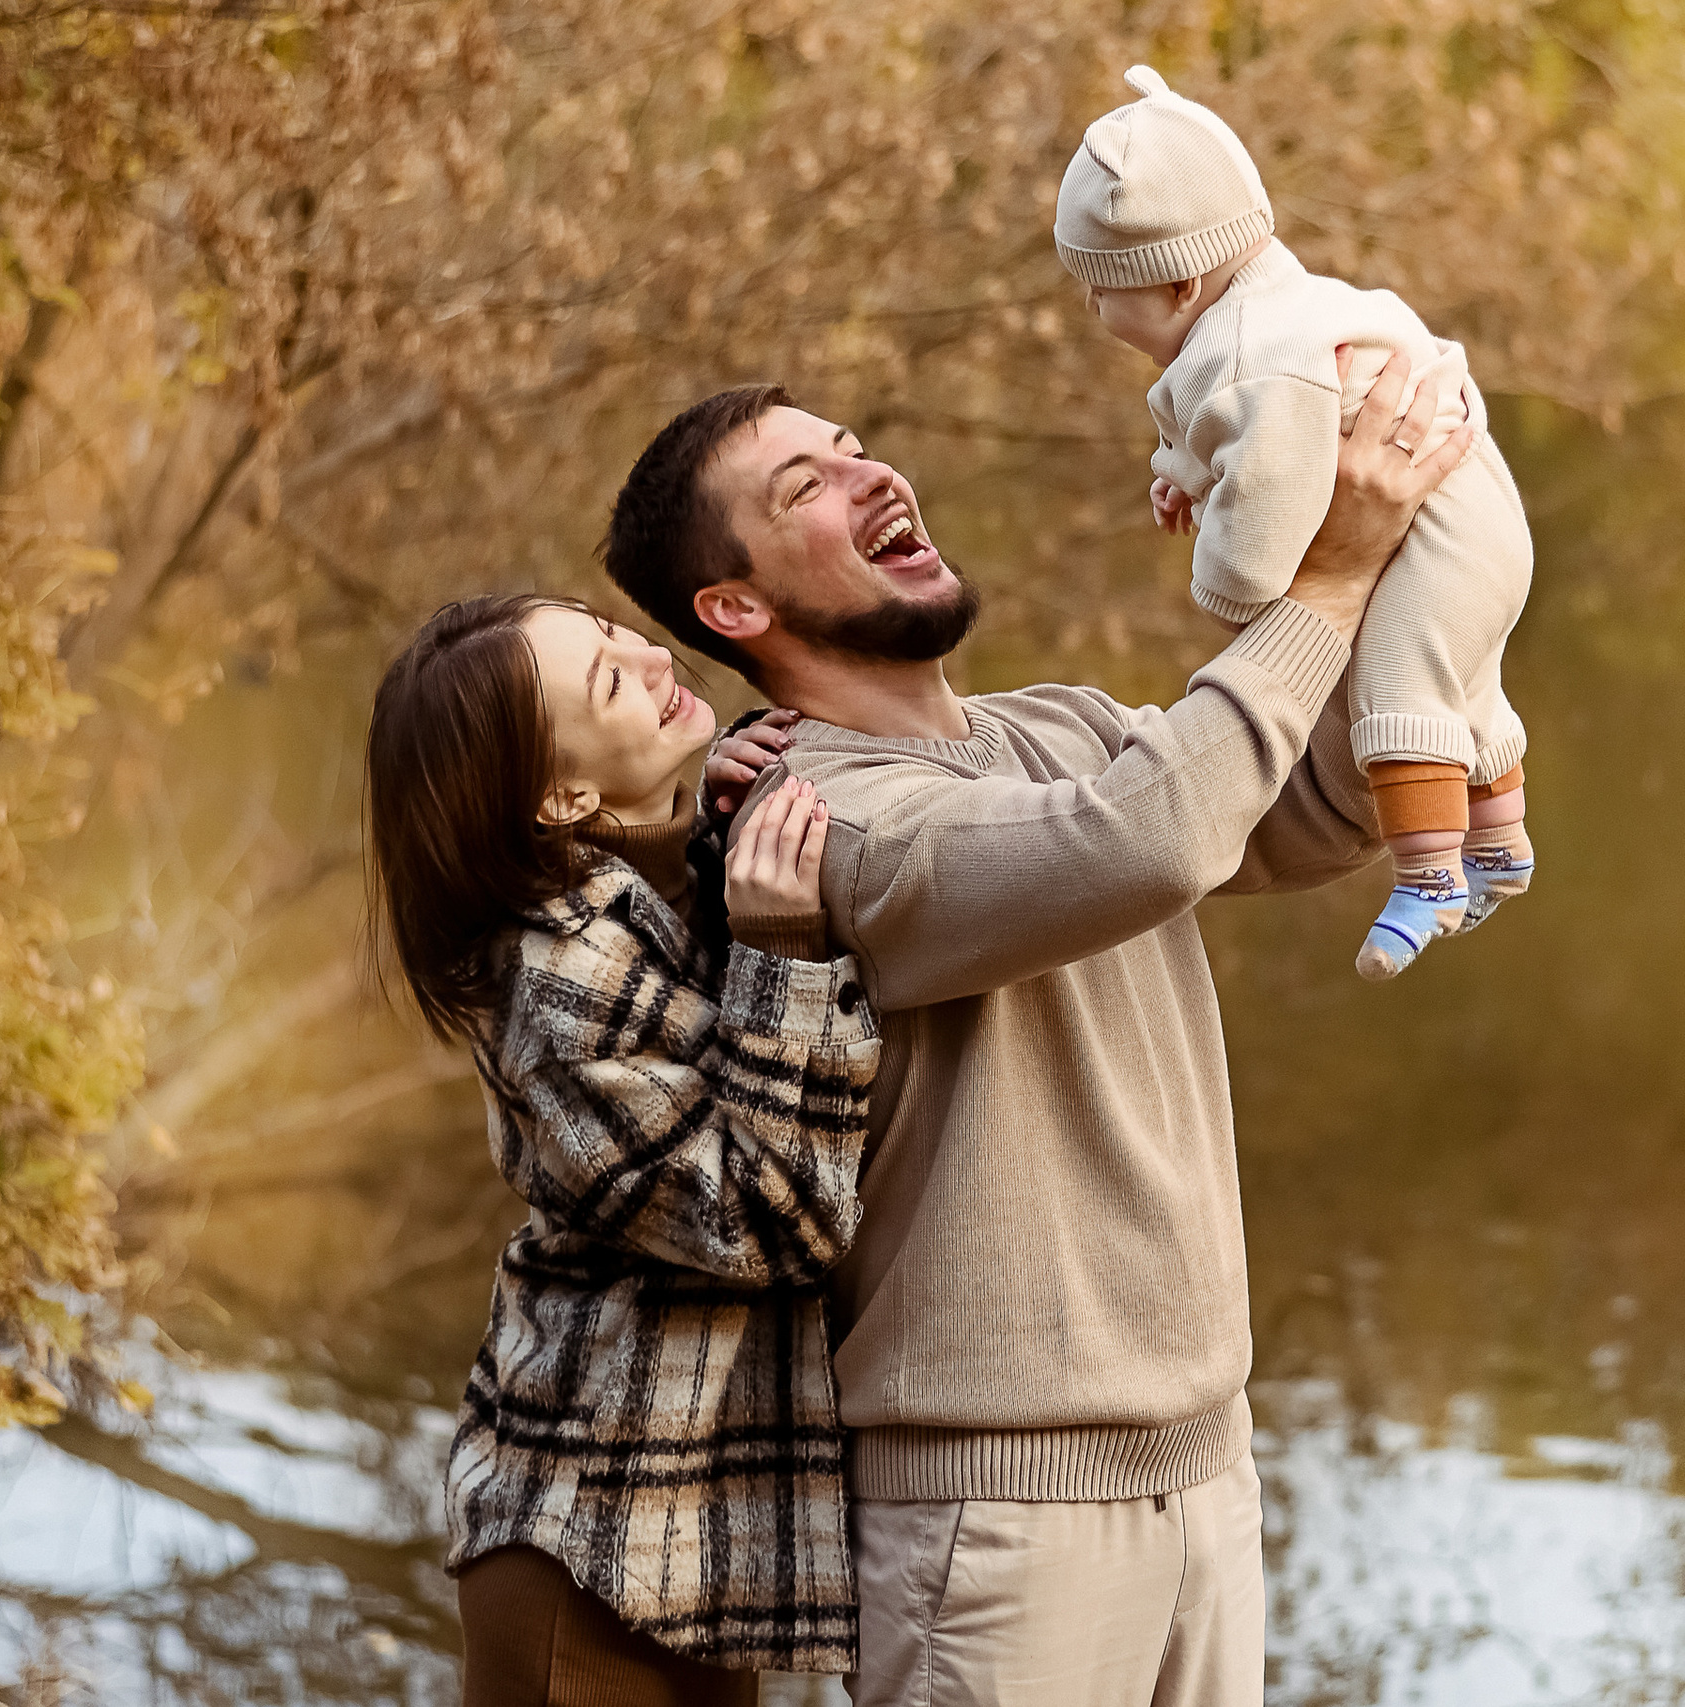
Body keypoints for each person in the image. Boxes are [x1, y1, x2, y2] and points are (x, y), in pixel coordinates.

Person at [599, 359, 1469, 1707]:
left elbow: (1315, 810)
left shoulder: (1060, 727)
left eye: (857, 446)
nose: (873, 473)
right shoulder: (816, 819)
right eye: (807, 484)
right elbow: (1157, 833)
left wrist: (1404, 564)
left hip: (1208, 1466)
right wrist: (1328, 583)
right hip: (992, 1524)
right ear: (737, 603)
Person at [361, 593, 880, 1704]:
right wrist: (783, 951)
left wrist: (713, 821)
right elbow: (773, 1218)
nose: (652, 658)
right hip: (587, 1555)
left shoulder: (652, 884)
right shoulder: (557, 981)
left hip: (679, 1552)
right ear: (563, 797)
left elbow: (682, 971)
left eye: (617, 635)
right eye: (608, 680)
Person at [1058, 64, 1537, 979]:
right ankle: (1499, 842)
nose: (1090, 308)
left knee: (1397, 680)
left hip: (1447, 520)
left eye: (1100, 288)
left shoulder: (1251, 355)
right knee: (1461, 669)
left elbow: (1271, 505)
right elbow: (1234, 438)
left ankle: (1429, 871)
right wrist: (1185, 474)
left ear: (1177, 285)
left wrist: (1227, 578)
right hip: (1466, 499)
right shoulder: (1269, 304)